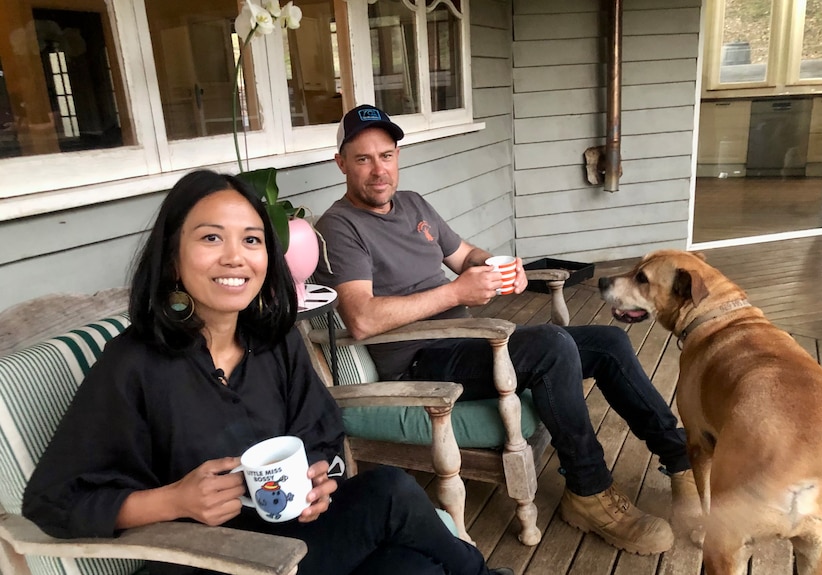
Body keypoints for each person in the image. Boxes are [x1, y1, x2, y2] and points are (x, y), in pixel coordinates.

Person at [22, 169, 513, 575]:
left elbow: (319, 434)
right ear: (173, 258)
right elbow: (50, 501)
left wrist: (320, 483)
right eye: (211, 237)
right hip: (202, 562)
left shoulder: (273, 342)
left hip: (291, 540)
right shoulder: (133, 363)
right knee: (391, 494)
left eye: (252, 240)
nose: (235, 256)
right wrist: (174, 500)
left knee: (415, 568)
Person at [314, 105, 701, 556]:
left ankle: (680, 460)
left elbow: (464, 256)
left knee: (608, 341)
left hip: (468, 339)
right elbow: (361, 318)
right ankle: (589, 490)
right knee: (552, 346)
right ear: (341, 163)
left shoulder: (414, 204)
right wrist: (457, 293)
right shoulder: (340, 228)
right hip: (420, 361)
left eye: (386, 155)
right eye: (363, 159)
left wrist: (499, 269)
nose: (379, 170)